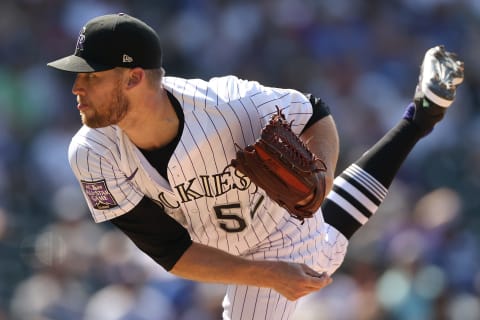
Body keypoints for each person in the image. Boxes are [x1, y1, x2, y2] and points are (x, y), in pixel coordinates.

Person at [47, 13, 463, 320]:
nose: (76, 87)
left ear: (134, 78)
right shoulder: (91, 152)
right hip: (216, 245)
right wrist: (263, 274)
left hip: (278, 231)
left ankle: (418, 120)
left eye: (91, 76)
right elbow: (168, 250)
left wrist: (319, 178)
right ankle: (420, 118)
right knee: (328, 246)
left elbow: (315, 113)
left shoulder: (230, 106)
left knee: (312, 258)